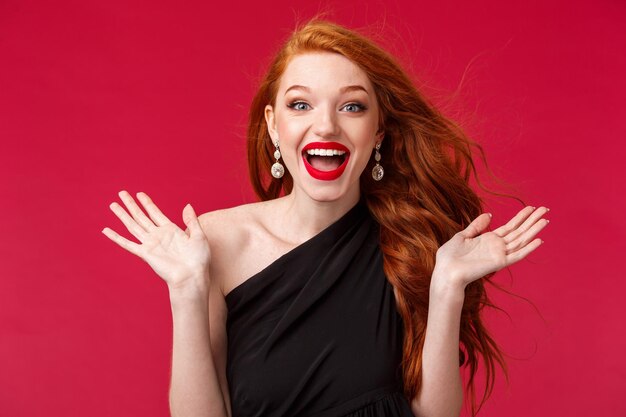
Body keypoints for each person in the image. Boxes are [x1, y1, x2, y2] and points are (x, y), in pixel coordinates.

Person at [102, 19, 549, 417]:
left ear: (378, 132)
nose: (326, 127)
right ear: (274, 126)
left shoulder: (410, 244)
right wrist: (184, 291)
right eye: (301, 106)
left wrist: (448, 285)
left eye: (352, 106)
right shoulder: (216, 243)